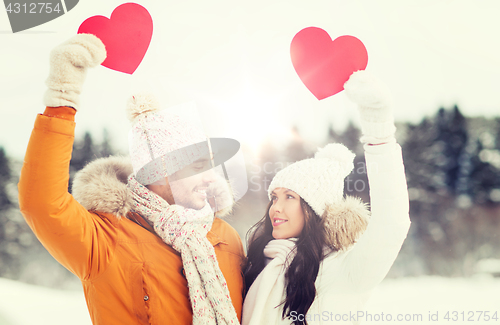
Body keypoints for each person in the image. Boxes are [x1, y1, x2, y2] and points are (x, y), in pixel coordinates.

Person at [18, 34, 244, 325]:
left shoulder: (225, 236)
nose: (211, 179)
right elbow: (41, 204)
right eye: (198, 166)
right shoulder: (105, 240)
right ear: (161, 171)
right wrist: (63, 98)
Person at [241, 71, 411, 325]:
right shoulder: (258, 262)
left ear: (314, 209)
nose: (275, 207)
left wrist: (379, 130)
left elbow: (392, 223)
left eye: (290, 196)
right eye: (274, 197)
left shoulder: (345, 269)